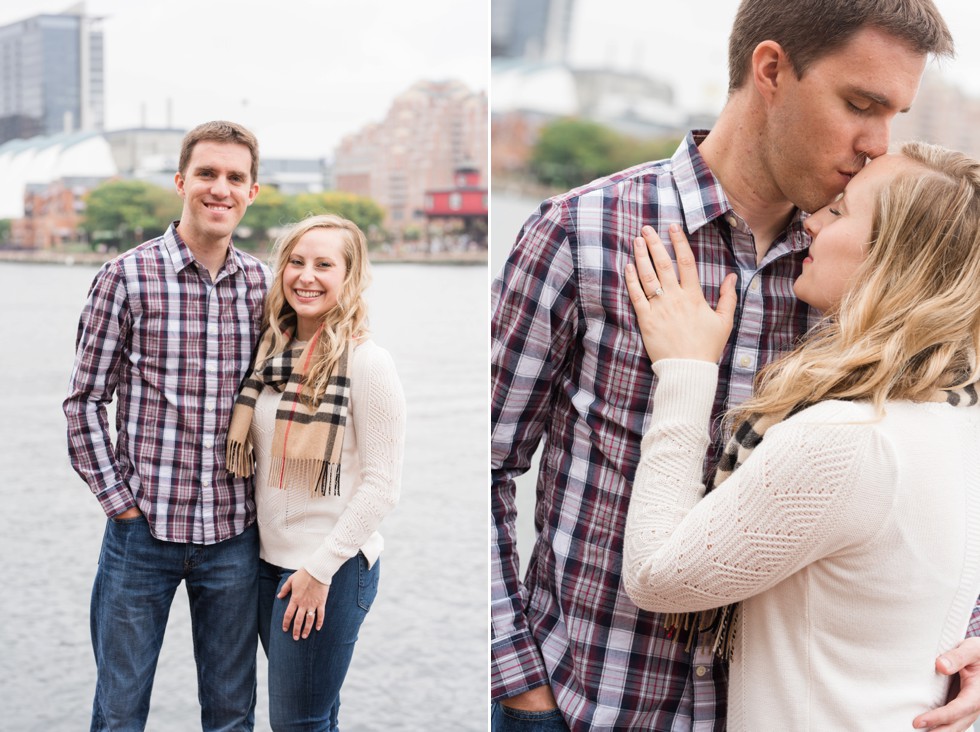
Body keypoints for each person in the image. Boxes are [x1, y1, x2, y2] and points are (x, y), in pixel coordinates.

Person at [490, 1, 980, 729]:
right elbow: (485, 461)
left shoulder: (869, 271)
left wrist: (967, 632)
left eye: (894, 115)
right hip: (581, 704)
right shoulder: (582, 232)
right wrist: (518, 677)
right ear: (772, 70)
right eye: (859, 105)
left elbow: (939, 476)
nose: (877, 145)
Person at [621, 142, 980, 729]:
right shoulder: (959, 412)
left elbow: (655, 577)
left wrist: (685, 374)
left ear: (891, 258)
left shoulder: (850, 437)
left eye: (840, 212)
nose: (810, 220)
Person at [64, 120, 267, 730]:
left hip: (234, 536)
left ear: (252, 192)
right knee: (120, 712)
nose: (220, 188)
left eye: (235, 177)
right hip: (141, 537)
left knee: (232, 716)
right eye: (207, 173)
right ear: (182, 181)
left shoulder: (264, 284)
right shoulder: (124, 278)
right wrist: (120, 503)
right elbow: (84, 402)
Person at [225, 213, 405, 730]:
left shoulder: (367, 363)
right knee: (316, 718)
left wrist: (318, 570)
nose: (307, 276)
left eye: (324, 265)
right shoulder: (269, 356)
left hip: (328, 571)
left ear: (350, 277)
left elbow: (381, 486)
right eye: (296, 262)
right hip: (264, 566)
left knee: (296, 724)